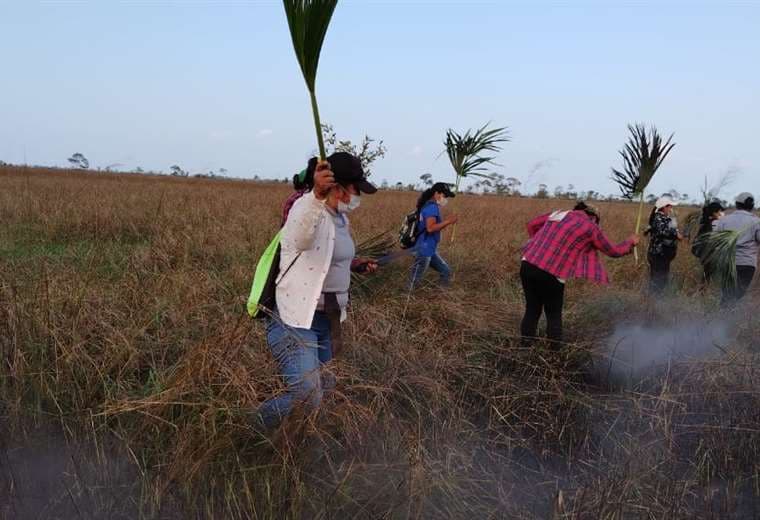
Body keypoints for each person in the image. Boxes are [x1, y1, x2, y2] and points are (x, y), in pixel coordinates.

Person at [256, 152, 378, 429]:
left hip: (329, 319)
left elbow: (328, 256)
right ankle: (246, 426)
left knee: (329, 391)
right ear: (338, 186)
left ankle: (300, 443)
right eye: (355, 188)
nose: (358, 195)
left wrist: (357, 264)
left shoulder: (341, 219)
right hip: (296, 320)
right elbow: (299, 239)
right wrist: (316, 196)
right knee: (308, 398)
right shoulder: (306, 208)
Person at [520, 201, 639, 346]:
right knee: (553, 314)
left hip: (527, 264)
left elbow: (532, 224)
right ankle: (554, 353)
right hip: (551, 273)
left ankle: (525, 347)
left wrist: (537, 243)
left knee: (532, 309)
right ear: (593, 217)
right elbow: (613, 251)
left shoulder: (559, 214)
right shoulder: (591, 227)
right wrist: (630, 242)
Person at [409, 182, 458, 290]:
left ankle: (440, 295)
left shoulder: (427, 205)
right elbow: (430, 228)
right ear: (437, 193)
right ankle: (407, 299)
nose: (446, 199)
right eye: (444, 196)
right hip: (424, 249)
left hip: (428, 248)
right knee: (413, 282)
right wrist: (449, 221)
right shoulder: (432, 207)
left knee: (446, 272)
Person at [714, 192, 760, 306]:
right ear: (751, 205)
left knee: (727, 292)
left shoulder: (724, 220)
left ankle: (721, 317)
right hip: (746, 263)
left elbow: (715, 240)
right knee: (738, 293)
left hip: (726, 262)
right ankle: (726, 317)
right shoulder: (756, 222)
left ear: (737, 204)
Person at [646, 195, 683, 294]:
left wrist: (675, 226)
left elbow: (672, 229)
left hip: (664, 255)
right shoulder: (658, 218)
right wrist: (676, 234)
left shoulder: (666, 218)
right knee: (658, 280)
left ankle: (654, 300)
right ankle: (653, 302)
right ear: (664, 207)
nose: (671, 209)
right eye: (670, 206)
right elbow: (662, 231)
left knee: (662, 279)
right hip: (658, 255)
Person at [691, 199, 725, 281]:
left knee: (707, 273)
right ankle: (702, 291)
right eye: (719, 211)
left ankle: (703, 290)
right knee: (708, 274)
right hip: (709, 252)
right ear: (714, 212)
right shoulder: (712, 223)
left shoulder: (706, 221)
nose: (721, 214)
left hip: (704, 252)